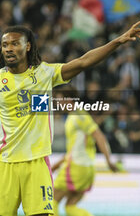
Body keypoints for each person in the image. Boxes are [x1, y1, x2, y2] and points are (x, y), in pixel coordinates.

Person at [0, 22, 140, 216]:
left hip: (37, 163)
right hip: (4, 163)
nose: (9, 48)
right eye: (5, 44)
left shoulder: (44, 74)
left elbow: (84, 62)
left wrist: (117, 41)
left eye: (15, 43)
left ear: (28, 46)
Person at [51, 86, 118, 216]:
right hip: (85, 168)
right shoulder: (74, 116)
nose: (57, 103)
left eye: (59, 99)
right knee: (70, 207)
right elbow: (75, 148)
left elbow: (99, 136)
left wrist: (108, 161)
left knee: (51, 200)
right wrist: (57, 165)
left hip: (76, 168)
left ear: (68, 99)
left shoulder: (78, 115)